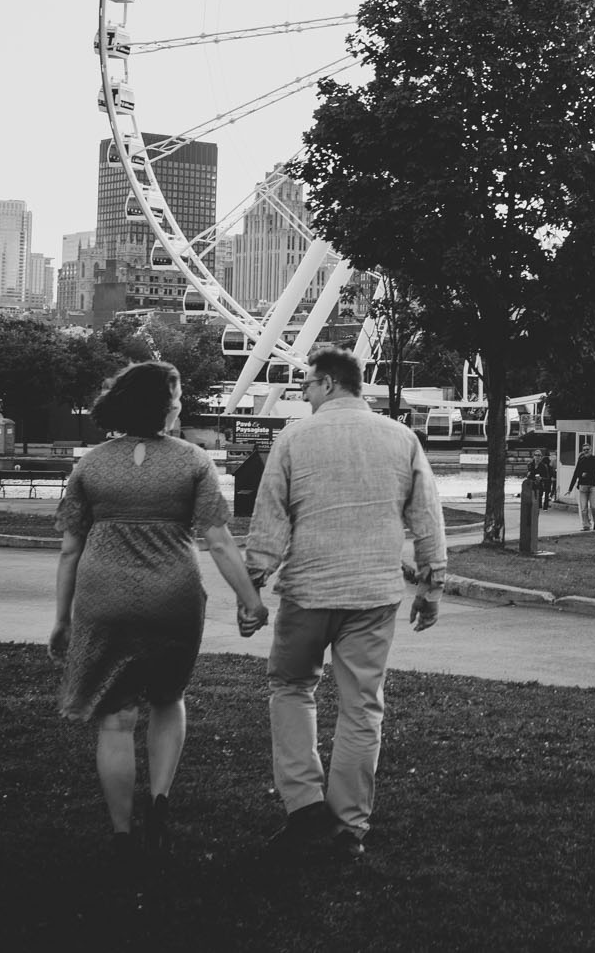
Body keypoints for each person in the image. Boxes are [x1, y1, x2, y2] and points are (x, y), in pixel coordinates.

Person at [50, 361, 269, 861]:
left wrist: (63, 619)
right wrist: (250, 599)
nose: (180, 403)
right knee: (169, 698)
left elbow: (69, 550)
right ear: (161, 403)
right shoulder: (194, 462)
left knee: (115, 718)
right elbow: (217, 539)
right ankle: (161, 803)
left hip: (104, 599)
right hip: (173, 596)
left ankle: (122, 835)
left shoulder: (90, 465)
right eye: (176, 394)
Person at [244, 345, 446, 862]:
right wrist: (431, 583)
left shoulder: (294, 437)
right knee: (362, 707)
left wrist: (255, 581)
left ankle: (306, 806)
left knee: (291, 687)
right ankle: (350, 823)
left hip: (309, 590)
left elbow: (271, 515)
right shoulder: (401, 438)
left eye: (308, 385)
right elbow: (426, 515)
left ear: (330, 383)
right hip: (374, 594)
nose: (305, 394)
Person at [569, 444, 595, 532]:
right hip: (583, 486)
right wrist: (570, 488)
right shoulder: (581, 460)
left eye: (587, 449)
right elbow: (576, 474)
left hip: (593, 486)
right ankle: (586, 525)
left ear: (591, 450)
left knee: (593, 506)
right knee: (583, 508)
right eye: (584, 449)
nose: (586, 451)